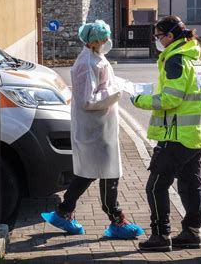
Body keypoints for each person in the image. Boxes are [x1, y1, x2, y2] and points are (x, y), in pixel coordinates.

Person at [41, 20, 143, 239]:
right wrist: (117, 90)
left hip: (100, 127)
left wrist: (117, 85)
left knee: (90, 172)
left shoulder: (96, 58)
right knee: (107, 172)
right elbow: (89, 100)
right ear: (94, 40)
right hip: (95, 129)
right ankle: (116, 220)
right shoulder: (88, 63)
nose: (107, 41)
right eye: (104, 37)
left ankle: (64, 211)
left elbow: (101, 87)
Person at [130, 16, 201, 251]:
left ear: (170, 36)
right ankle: (191, 233)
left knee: (155, 186)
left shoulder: (175, 60)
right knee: (190, 185)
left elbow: (171, 99)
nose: (157, 41)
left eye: (159, 36)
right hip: (196, 136)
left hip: (176, 136)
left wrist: (139, 100)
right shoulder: (195, 58)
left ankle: (160, 236)